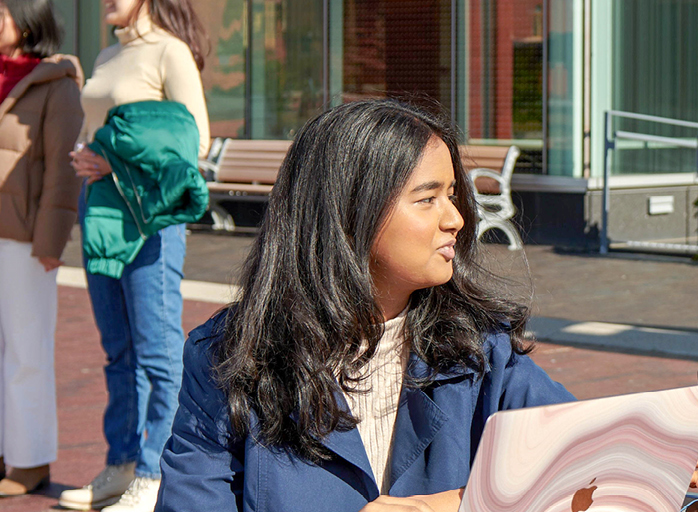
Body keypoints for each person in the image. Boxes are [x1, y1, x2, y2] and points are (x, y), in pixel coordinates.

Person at [154, 99, 574, 512]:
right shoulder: (231, 358)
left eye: (452, 194)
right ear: (350, 214)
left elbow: (592, 467)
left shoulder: (481, 352)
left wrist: (445, 506)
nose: (457, 219)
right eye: (427, 199)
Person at [61, 0, 212, 509]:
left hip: (150, 215)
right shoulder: (106, 55)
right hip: (99, 207)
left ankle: (155, 475)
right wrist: (87, 153)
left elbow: (196, 139)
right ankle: (121, 465)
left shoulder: (169, 52)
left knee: (157, 350)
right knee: (117, 349)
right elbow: (99, 127)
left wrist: (115, 159)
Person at [0, 0, 80, 498]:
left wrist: (51, 242)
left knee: (27, 351)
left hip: (26, 239)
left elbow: (61, 170)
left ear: (27, 23)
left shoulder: (56, 82)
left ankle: (28, 462)